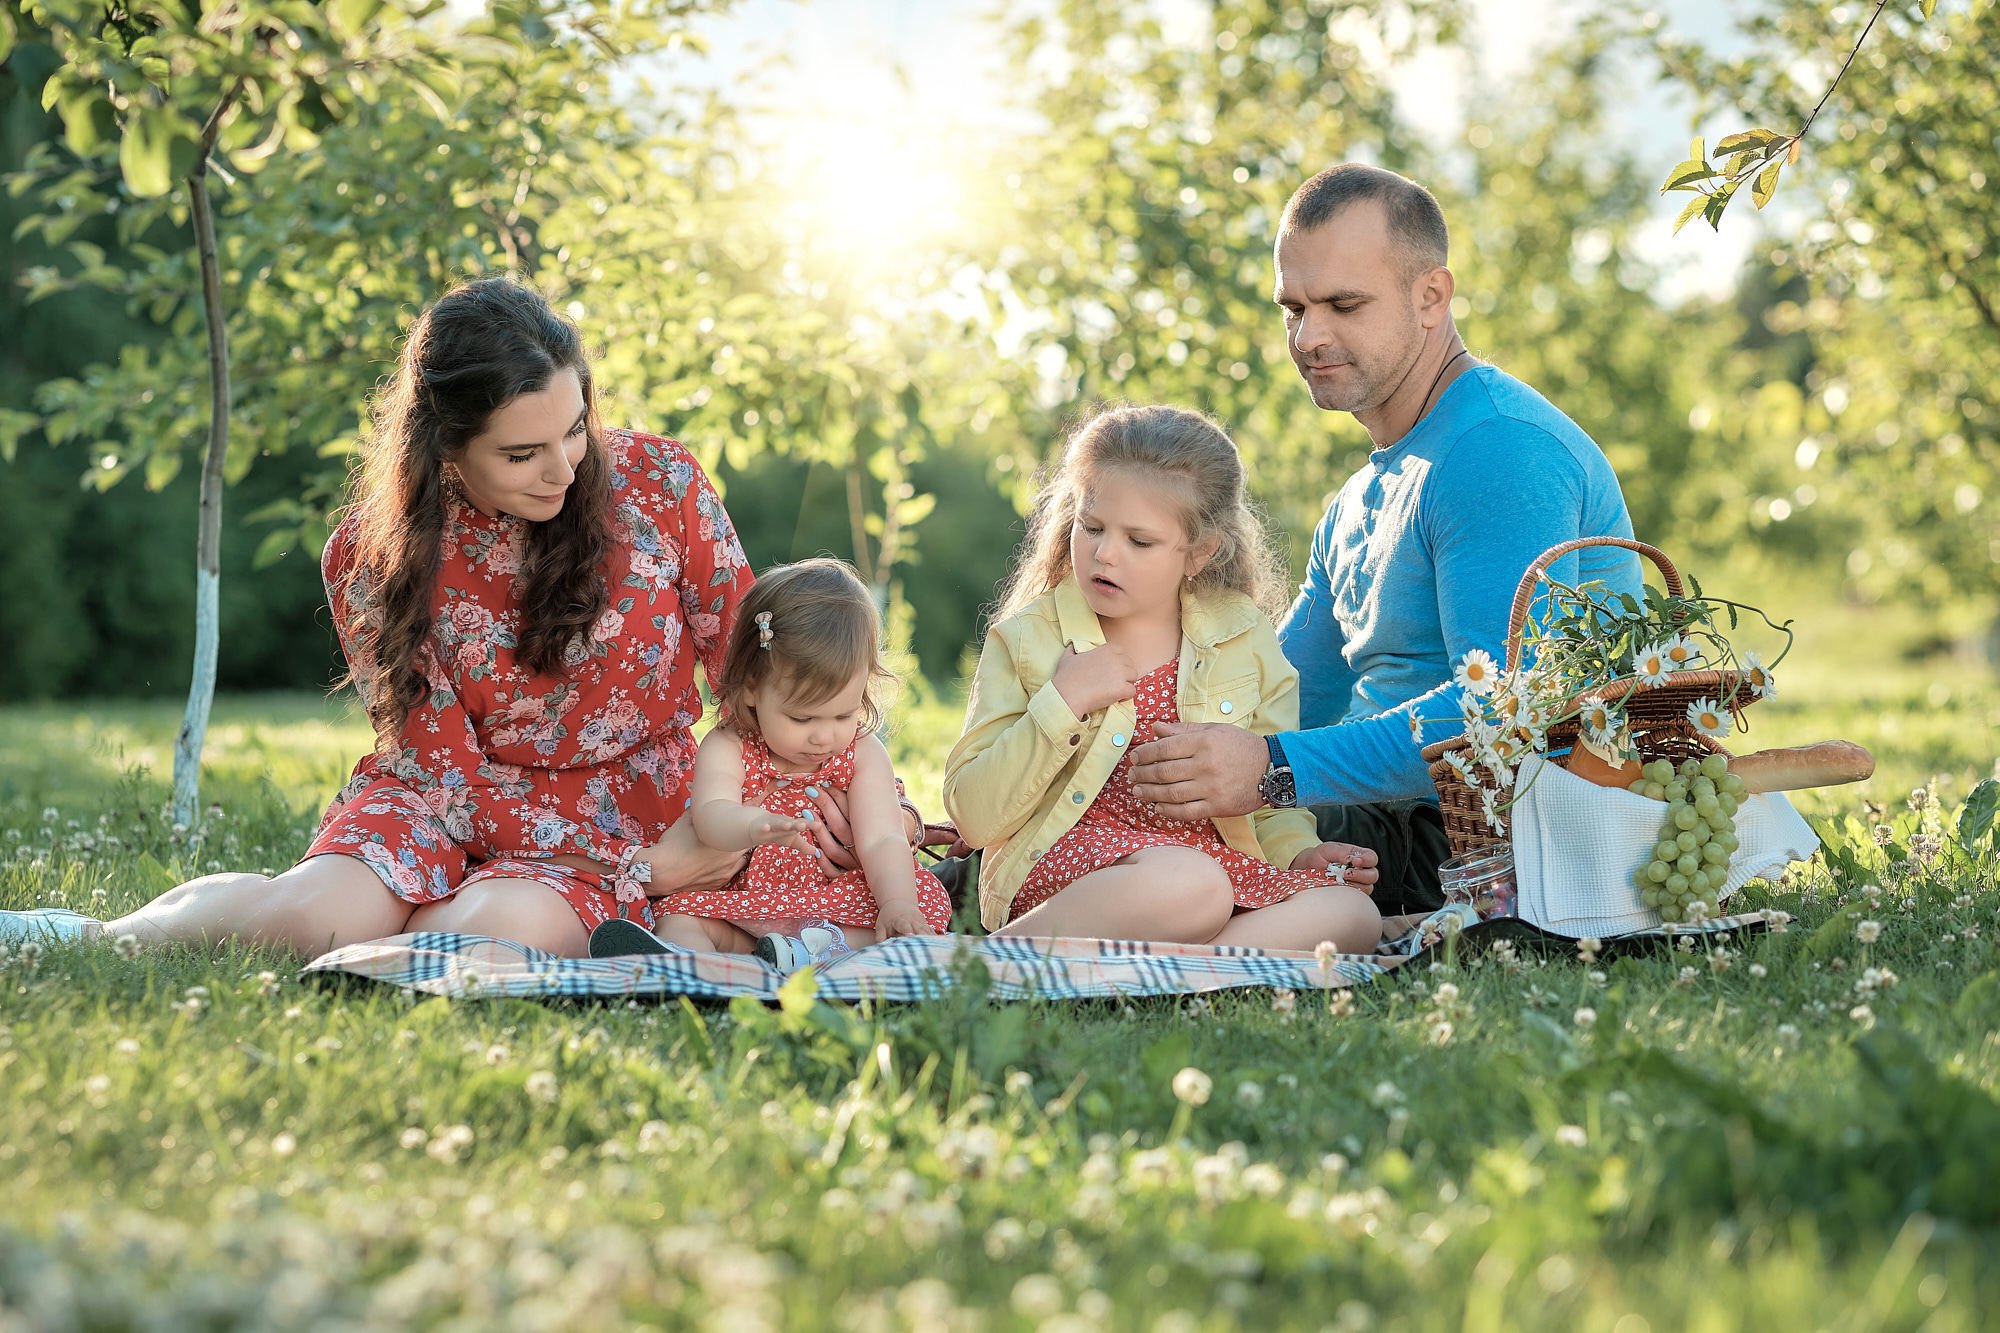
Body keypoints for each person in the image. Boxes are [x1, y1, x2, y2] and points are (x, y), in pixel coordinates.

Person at [0, 278, 898, 958]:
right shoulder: (374, 556)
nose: (565, 467)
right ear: (444, 449)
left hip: (632, 803)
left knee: (494, 930)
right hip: (448, 800)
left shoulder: (662, 488)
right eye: (522, 451)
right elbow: (444, 773)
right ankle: (89, 934)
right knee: (315, 915)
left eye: (576, 429)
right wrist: (642, 878)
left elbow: (760, 666)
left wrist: (819, 792)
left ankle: (418, 922)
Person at [1125, 164, 1642, 916]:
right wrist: (1096, 752)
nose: (1309, 336)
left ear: (1432, 296)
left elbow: (1499, 715)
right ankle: (930, 878)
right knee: (1112, 805)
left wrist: (1270, 769)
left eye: (1343, 304)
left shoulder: (1496, 452)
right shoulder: (1357, 499)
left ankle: (944, 910)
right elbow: (1275, 686)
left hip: (1475, 834)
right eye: (1293, 307)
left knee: (1155, 837)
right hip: (1376, 819)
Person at [942, 404, 1383, 953]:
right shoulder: (1027, 639)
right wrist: (1063, 700)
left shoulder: (1243, 636)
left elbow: (1267, 802)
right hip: (1081, 872)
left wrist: (1300, 856)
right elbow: (973, 815)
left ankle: (1138, 972)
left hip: (1219, 872)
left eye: (1139, 541)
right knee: (1190, 887)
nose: (1105, 554)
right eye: (1092, 527)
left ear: (1198, 553)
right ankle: (994, 962)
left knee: (1352, 914)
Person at [590, 559, 952, 969]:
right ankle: (691, 961)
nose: (824, 736)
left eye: (843, 715)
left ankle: (807, 952)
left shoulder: (863, 752)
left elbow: (883, 838)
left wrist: (897, 903)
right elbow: (710, 816)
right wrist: (751, 825)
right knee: (680, 916)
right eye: (802, 718)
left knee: (916, 909)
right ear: (751, 689)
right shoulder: (729, 746)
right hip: (747, 900)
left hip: (833, 898)